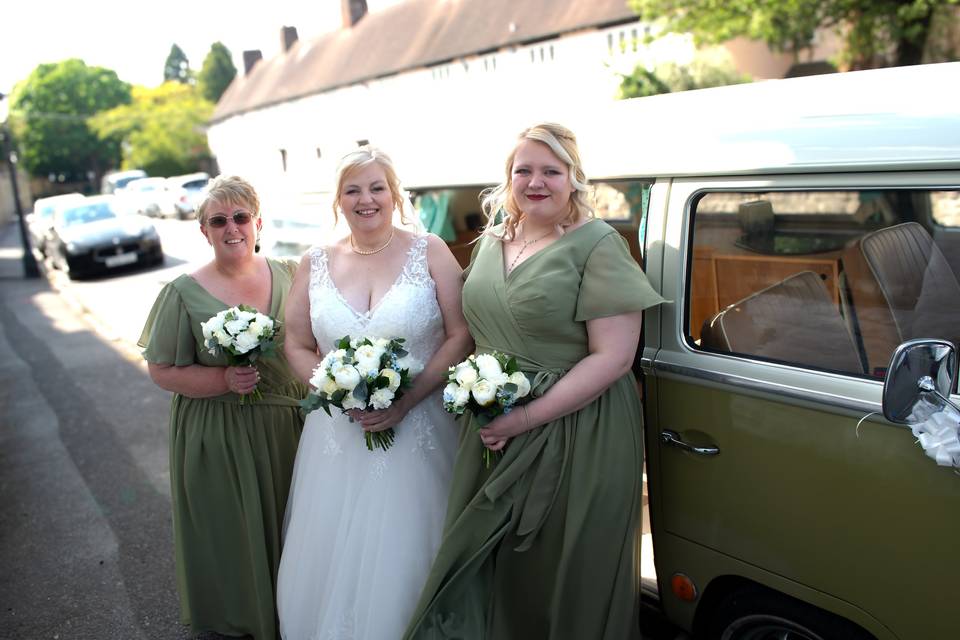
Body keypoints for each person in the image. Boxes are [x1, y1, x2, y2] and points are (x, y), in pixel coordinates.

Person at [404, 123, 666, 639]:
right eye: (523, 170)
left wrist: (523, 417)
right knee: (491, 559)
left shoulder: (599, 244)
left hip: (576, 428)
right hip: (492, 422)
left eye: (551, 170)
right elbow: (468, 332)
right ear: (508, 180)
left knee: (563, 564)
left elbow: (612, 358)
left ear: (573, 179)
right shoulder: (491, 240)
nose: (536, 181)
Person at [276, 146, 473, 639]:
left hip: (422, 424)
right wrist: (332, 389)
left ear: (395, 193)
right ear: (338, 200)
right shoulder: (315, 261)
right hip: (337, 435)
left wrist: (409, 397)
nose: (366, 199)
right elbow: (296, 343)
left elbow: (460, 335)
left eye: (376, 187)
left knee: (409, 545)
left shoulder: (429, 250)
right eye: (353, 189)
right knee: (334, 550)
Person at [138, 175, 306, 640]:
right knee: (232, 534)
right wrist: (222, 378)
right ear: (204, 231)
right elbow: (162, 369)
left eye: (240, 217)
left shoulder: (292, 273)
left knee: (295, 525)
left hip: (289, 426)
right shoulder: (181, 293)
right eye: (218, 220)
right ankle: (245, 620)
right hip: (218, 432)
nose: (231, 228)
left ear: (257, 223)